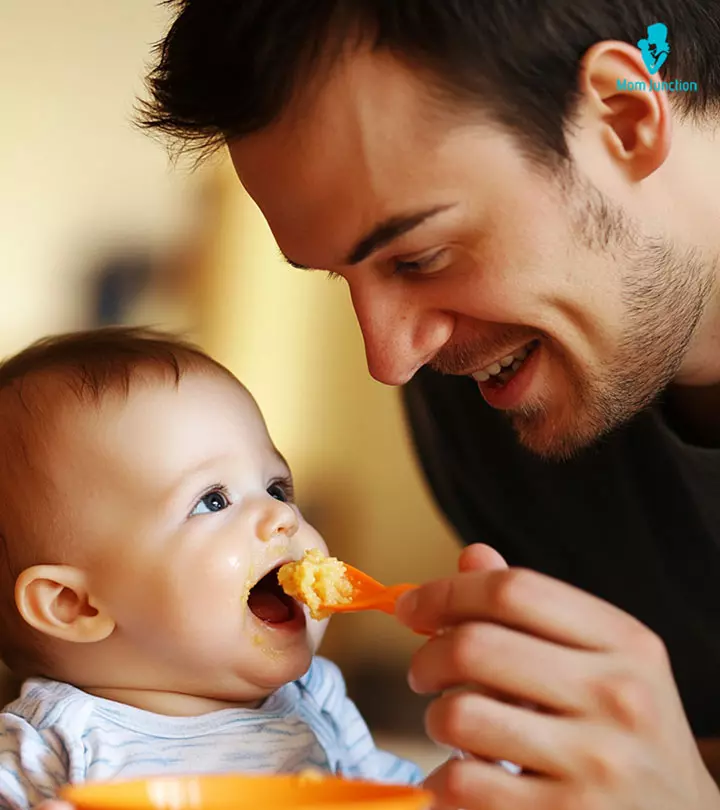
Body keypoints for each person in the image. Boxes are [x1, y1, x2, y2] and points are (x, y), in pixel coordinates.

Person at [135, 1, 720, 807]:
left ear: (623, 118)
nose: (392, 359)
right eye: (344, 278)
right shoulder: (490, 402)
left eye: (420, 257)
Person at [0, 328, 423, 809]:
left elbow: (406, 798)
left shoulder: (315, 699)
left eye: (277, 488)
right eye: (213, 500)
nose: (281, 516)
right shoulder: (52, 744)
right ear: (74, 604)